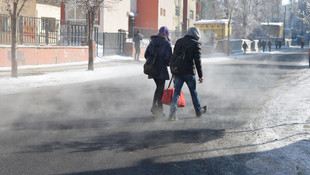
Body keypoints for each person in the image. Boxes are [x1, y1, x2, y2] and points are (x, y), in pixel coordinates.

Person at [168, 27, 207, 121]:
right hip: (189, 73)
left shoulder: (179, 41)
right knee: (193, 92)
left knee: (176, 93)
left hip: (178, 72)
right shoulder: (195, 44)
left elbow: (174, 57)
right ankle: (198, 111)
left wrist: (173, 71)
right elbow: (198, 61)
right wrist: (200, 75)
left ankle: (172, 114)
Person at [144, 26, 172, 117]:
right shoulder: (167, 43)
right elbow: (169, 58)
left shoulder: (152, 42)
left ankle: (155, 107)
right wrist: (166, 63)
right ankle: (159, 110)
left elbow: (146, 55)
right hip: (161, 69)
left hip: (152, 69)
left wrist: (152, 60)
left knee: (158, 88)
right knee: (161, 89)